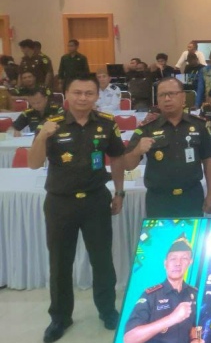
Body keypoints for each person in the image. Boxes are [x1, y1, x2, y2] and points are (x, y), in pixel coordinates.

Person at [27, 77, 126, 342]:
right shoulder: (51, 125)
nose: (83, 98)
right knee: (60, 261)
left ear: (96, 96)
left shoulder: (106, 123)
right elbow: (34, 164)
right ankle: (60, 317)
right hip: (61, 203)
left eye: (89, 93)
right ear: (66, 94)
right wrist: (42, 136)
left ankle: (107, 310)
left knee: (102, 259)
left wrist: (119, 191)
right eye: (77, 92)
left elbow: (117, 158)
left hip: (96, 201)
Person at [126, 78, 211, 218]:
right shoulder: (147, 128)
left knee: (191, 238)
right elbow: (128, 165)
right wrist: (137, 150)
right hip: (159, 200)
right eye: (162, 95)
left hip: (191, 197)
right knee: (159, 239)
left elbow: (208, 160)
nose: (167, 99)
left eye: (171, 94)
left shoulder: (198, 125)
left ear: (183, 97)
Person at [123, 235, 201, 343]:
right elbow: (129, 338)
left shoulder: (195, 294)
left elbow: (196, 326)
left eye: (184, 258)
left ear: (190, 262)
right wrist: (172, 318)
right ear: (166, 263)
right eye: (173, 258)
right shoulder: (150, 295)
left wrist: (196, 338)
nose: (178, 263)